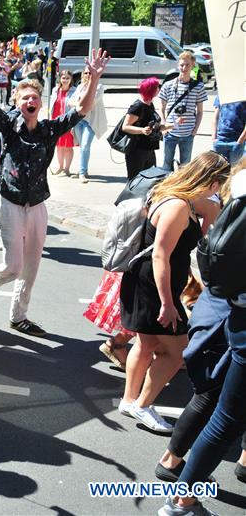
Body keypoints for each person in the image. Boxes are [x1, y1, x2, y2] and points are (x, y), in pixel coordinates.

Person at [0, 42, 110, 336]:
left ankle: (19, 316)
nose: (30, 100)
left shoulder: (49, 129)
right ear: (18, 102)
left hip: (38, 205)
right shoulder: (8, 124)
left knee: (31, 268)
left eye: (34, 96)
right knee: (13, 266)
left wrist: (93, 79)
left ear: (40, 103)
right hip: (11, 203)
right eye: (25, 96)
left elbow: (82, 109)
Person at [119, 152, 228, 433]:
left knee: (145, 345)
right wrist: (167, 303)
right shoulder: (178, 206)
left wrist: (207, 218)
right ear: (213, 183)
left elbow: (194, 241)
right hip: (154, 286)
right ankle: (142, 405)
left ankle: (129, 400)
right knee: (177, 352)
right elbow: (160, 256)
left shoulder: (178, 197)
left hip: (150, 283)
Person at [158, 166, 246, 516]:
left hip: (232, 308)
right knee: (224, 413)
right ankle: (182, 501)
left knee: (222, 408)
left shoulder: (239, 186)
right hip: (235, 314)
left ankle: (181, 489)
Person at [159, 52, 207, 170]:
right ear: (177, 65)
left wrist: (195, 131)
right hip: (170, 132)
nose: (184, 68)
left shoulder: (198, 86)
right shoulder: (168, 85)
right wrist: (164, 128)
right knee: (166, 166)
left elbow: (200, 111)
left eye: (187, 65)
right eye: (181, 65)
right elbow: (161, 108)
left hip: (188, 134)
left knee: (185, 167)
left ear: (193, 65)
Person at [121, 77, 165, 180]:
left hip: (149, 149)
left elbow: (154, 126)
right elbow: (125, 126)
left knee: (149, 180)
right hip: (136, 150)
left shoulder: (150, 104)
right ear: (152, 90)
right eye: (157, 87)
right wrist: (142, 130)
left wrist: (173, 125)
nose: (159, 89)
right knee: (135, 181)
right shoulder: (138, 106)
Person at [71, 66, 107, 182]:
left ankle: (82, 172)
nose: (88, 75)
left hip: (90, 121)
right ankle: (83, 169)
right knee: (82, 147)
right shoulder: (80, 87)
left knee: (85, 145)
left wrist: (78, 103)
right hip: (78, 120)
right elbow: (70, 101)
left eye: (90, 73)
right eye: (86, 73)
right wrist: (78, 103)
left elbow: (91, 103)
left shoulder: (99, 87)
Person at [49, 70, 76, 177]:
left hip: (68, 122)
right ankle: (60, 167)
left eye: (67, 78)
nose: (65, 80)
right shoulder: (55, 90)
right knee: (59, 146)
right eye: (63, 78)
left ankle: (67, 169)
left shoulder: (74, 91)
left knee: (68, 147)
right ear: (60, 79)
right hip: (56, 122)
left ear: (71, 80)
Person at [210, 97, 245, 166]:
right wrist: (214, 137)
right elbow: (215, 116)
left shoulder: (243, 94)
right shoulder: (222, 93)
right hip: (220, 140)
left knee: (234, 172)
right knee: (218, 171)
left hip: (236, 141)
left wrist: (240, 141)